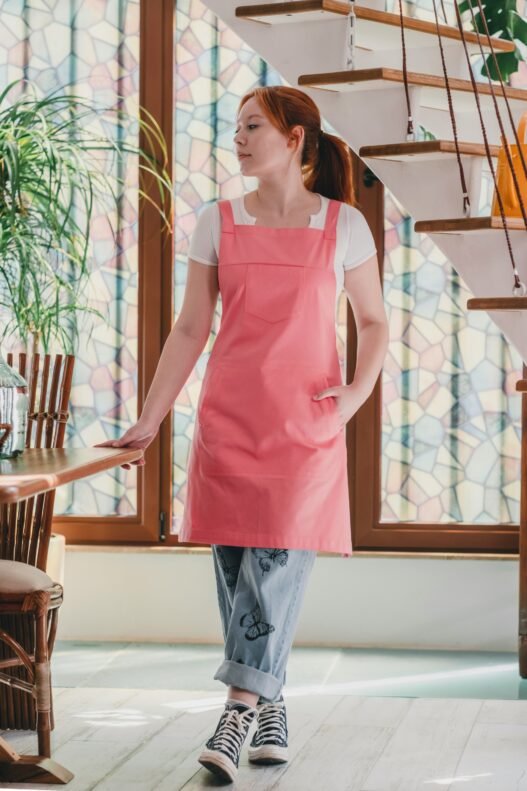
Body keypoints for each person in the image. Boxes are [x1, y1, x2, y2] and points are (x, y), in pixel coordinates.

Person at [95, 85, 389, 783]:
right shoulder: (216, 222)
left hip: (307, 425)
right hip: (228, 421)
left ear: (295, 139)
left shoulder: (343, 225)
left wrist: (352, 397)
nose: (239, 137)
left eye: (253, 126)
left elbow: (373, 322)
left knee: (276, 567)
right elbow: (191, 328)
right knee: (236, 574)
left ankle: (234, 710)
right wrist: (152, 415)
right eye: (235, 128)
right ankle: (272, 702)